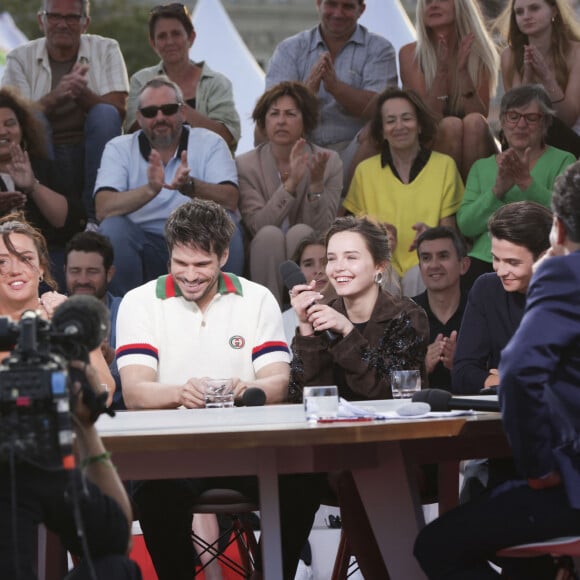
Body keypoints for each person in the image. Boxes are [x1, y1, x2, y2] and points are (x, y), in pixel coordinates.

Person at [115, 199, 323, 580]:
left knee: (305, 481)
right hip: (172, 452)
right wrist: (181, 393)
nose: (190, 275)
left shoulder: (257, 297)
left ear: (224, 255)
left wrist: (245, 388)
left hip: (249, 450)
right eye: (181, 263)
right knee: (155, 492)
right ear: (169, 255)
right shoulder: (139, 301)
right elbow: (136, 393)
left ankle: (274, 576)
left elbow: (278, 382)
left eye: (202, 265)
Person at [414, 160, 580, 580]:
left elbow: (521, 376)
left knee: (435, 544)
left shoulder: (561, 277)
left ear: (556, 234)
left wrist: (541, 471)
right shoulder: (491, 290)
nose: (501, 269)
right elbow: (471, 375)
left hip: (568, 489)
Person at [94, 75, 241, 296]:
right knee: (113, 229)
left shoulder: (210, 142)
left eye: (169, 109)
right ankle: (126, 313)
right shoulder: (119, 148)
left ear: (183, 112)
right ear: (139, 119)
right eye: (151, 112)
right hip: (143, 243)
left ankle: (227, 307)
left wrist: (190, 187)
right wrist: (150, 190)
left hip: (198, 241)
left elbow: (230, 198)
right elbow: (103, 208)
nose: (160, 117)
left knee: (227, 222)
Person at [0, 357, 141, 579]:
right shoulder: (27, 458)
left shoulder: (28, 459)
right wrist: (85, 425)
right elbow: (119, 540)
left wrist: (85, 425)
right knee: (116, 569)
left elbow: (116, 538)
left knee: (114, 568)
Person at [1, 0, 129, 222]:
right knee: (35, 116)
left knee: (104, 113)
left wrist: (82, 93)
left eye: (71, 17)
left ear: (85, 23)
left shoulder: (107, 48)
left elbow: (118, 111)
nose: (62, 24)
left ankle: (95, 217)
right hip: (41, 151)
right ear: (42, 20)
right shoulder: (19, 58)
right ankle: (47, 218)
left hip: (91, 147)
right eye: (55, 17)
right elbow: (14, 118)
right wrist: (56, 96)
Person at [289, 215, 429, 403]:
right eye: (331, 259)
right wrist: (306, 329)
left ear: (379, 266)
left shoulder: (407, 316)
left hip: (392, 429)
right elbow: (301, 398)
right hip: (335, 430)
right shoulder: (323, 318)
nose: (338, 267)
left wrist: (348, 331)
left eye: (351, 257)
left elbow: (389, 393)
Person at [343, 87, 464, 297]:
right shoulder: (365, 172)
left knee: (420, 273)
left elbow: (451, 234)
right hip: (382, 265)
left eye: (406, 118)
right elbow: (351, 234)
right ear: (382, 130)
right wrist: (375, 240)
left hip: (426, 263)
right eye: (390, 121)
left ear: (419, 125)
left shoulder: (444, 166)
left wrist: (432, 236)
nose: (399, 126)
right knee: (378, 274)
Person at [265, 0, 397, 184]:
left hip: (354, 149)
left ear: (361, 10)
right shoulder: (289, 49)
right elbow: (272, 109)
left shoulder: (379, 49)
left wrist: (336, 87)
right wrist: (308, 88)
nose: (338, 13)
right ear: (318, 4)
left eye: (347, 6)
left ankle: (349, 200)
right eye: (332, 4)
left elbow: (381, 109)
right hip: (302, 146)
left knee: (377, 128)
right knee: (265, 127)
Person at [457, 84, 575, 289]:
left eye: (531, 118)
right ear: (502, 121)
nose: (521, 124)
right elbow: (466, 225)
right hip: (486, 261)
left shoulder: (563, 160)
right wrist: (497, 191)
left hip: (539, 258)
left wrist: (527, 184)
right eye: (513, 116)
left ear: (545, 122)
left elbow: (567, 217)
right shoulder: (482, 167)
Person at [237, 81, 342, 305]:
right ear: (263, 123)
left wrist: (315, 185)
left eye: (290, 114)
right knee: (268, 235)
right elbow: (256, 225)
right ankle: (269, 314)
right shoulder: (246, 165)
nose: (281, 121)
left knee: (301, 233)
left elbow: (324, 229)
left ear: (305, 122)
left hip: (311, 255)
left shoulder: (329, 161)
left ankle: (311, 308)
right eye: (274, 114)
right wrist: (291, 183)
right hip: (264, 254)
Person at [0, 214, 115, 397]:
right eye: (2, 262)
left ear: (42, 268)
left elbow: (103, 391)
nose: (15, 270)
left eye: (26, 259)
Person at [452, 201, 552, 395]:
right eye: (496, 259)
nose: (501, 271)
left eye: (512, 262)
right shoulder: (486, 289)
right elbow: (462, 374)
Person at [397, 0, 499, 179]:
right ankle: (447, 202)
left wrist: (463, 72)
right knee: (450, 126)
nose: (433, 5)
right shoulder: (410, 54)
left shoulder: (479, 53)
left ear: (461, 6)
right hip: (427, 143)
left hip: (475, 145)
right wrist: (441, 73)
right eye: (427, 2)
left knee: (474, 122)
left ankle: (472, 202)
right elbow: (428, 120)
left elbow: (480, 115)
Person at [0, 86, 86, 291]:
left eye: (9, 124)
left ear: (22, 129)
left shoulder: (42, 165)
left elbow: (72, 222)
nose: (2, 131)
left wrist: (32, 186)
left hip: (47, 257)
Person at [125, 2, 240, 151]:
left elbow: (226, 137)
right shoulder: (140, 80)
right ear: (153, 43)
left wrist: (175, 105)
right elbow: (133, 134)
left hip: (207, 169)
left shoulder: (217, 83)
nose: (170, 42)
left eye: (176, 34)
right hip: (153, 167)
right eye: (162, 36)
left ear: (191, 37)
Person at [497, 0, 580, 157]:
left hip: (567, 140)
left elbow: (567, 119)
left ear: (554, 11)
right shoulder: (509, 55)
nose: (526, 16)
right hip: (522, 140)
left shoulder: (576, 52)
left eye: (534, 8)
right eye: (519, 12)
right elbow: (514, 118)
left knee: (547, 123)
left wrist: (547, 78)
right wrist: (528, 77)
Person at [64, 231, 124, 409]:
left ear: (109, 273)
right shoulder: (51, 311)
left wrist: (109, 357)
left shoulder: (127, 309)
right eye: (75, 271)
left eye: (92, 272)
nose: (82, 280)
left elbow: (142, 377)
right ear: (64, 271)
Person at [412, 227, 470, 391]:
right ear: (420, 267)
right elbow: (388, 382)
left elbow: (497, 375)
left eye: (443, 256)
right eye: (426, 258)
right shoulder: (405, 314)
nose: (434, 265)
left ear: (463, 265)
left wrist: (460, 365)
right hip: (419, 413)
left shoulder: (480, 311)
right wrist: (422, 368)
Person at [282, 231, 329, 347]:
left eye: (325, 262)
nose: (318, 270)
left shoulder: (354, 312)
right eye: (308, 264)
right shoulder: (283, 320)